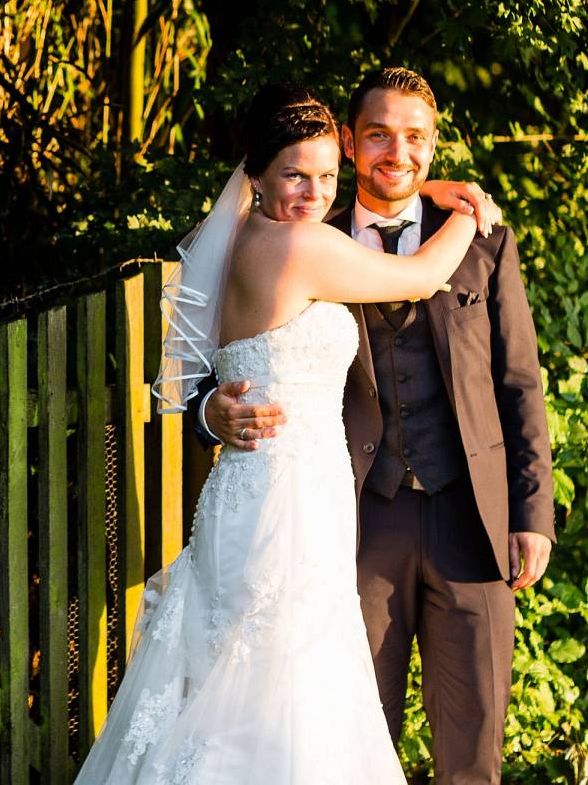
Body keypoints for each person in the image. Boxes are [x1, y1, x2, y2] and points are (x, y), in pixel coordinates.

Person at [72, 82, 501, 784]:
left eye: (328, 176)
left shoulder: (243, 240)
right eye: (295, 175)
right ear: (259, 175)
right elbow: (421, 276)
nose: (313, 191)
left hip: (257, 489)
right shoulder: (301, 245)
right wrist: (471, 206)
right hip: (288, 501)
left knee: (235, 678)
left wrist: (211, 411)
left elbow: (201, 372)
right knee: (285, 681)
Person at [196, 68, 554, 784]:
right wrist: (211, 412)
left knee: (473, 754)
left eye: (416, 137)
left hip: (470, 521)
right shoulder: (301, 231)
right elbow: (220, 356)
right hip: (354, 525)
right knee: (349, 743)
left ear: (434, 143)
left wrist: (532, 514)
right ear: (351, 145)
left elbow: (520, 382)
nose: (398, 151)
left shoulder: (487, 242)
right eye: (380, 135)